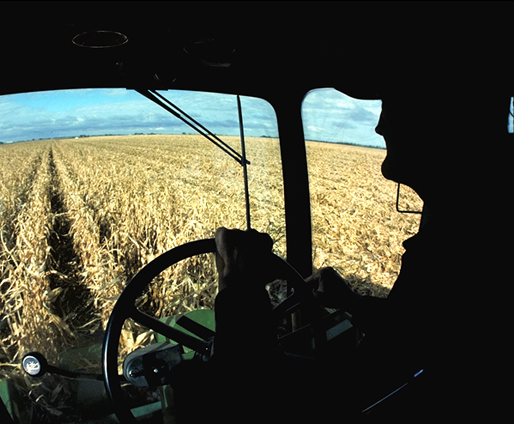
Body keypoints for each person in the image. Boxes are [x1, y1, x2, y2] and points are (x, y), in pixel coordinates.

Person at [208, 85, 511, 421]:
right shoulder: (470, 227)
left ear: (444, 124)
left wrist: (237, 284)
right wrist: (351, 302)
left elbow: (265, 393)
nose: (380, 126)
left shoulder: (458, 245)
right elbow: (415, 331)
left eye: (393, 105)